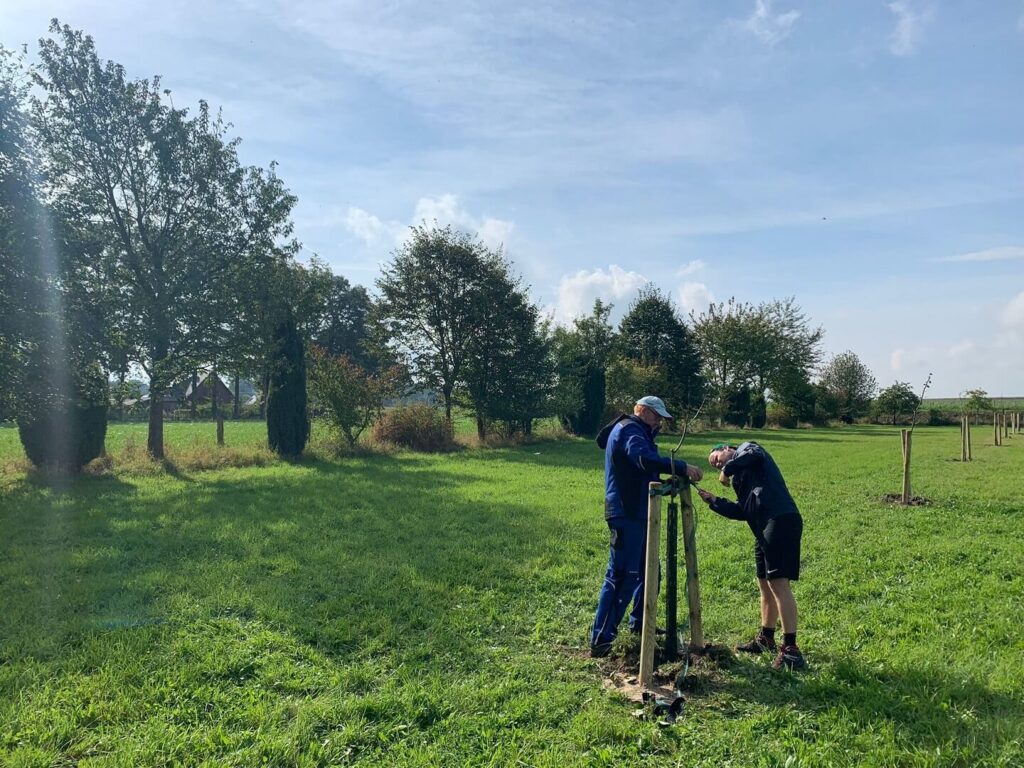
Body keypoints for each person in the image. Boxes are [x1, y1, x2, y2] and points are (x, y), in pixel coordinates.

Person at [589, 396, 703, 657]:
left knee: (648, 571)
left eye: (660, 418)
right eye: (655, 416)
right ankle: (602, 640)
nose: (659, 423)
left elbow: (642, 471)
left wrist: (665, 480)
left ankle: (640, 626)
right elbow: (642, 459)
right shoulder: (630, 430)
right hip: (626, 512)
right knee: (621, 576)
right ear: (641, 411)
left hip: (638, 511)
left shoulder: (637, 430)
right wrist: (682, 466)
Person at [695, 441, 806, 671]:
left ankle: (791, 651)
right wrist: (715, 501)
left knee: (779, 585)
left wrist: (727, 470)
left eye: (716, 458)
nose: (717, 465)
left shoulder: (750, 450)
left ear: (727, 448)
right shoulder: (740, 479)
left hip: (780, 520)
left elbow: (752, 455)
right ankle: (766, 638)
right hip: (761, 526)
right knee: (764, 584)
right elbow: (743, 511)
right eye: (715, 466)